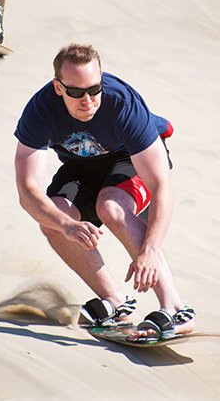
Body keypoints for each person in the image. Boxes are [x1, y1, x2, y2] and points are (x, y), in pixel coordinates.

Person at [13, 43, 195, 340]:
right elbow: (28, 191)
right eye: (75, 92)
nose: (87, 100)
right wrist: (65, 225)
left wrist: (149, 249)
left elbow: (161, 185)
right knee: (53, 217)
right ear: (58, 88)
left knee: (111, 207)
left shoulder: (122, 103)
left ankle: (176, 308)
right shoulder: (40, 110)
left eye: (94, 89)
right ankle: (116, 302)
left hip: (130, 158)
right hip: (83, 165)